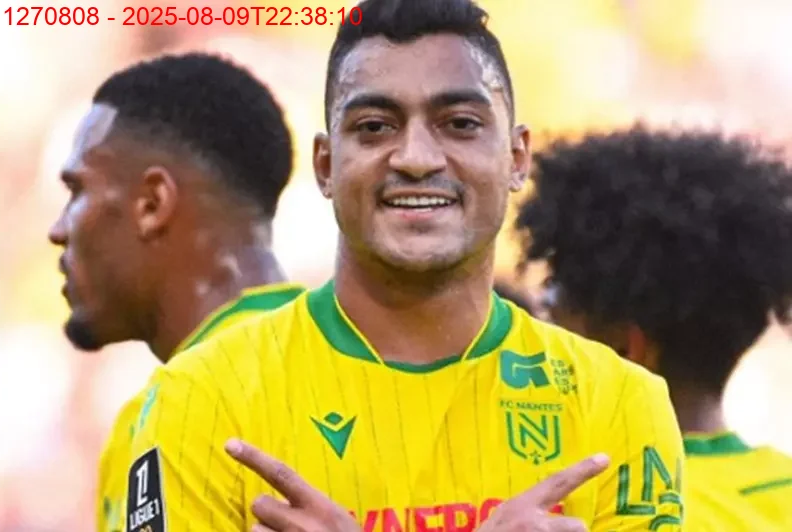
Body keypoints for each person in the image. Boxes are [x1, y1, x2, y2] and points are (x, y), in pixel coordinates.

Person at [126, 1, 684, 531]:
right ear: (325, 165)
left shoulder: (620, 404)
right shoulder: (200, 399)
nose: (416, 158)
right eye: (374, 127)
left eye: (459, 123)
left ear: (516, 158)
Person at [47, 52, 304, 532]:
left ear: (152, 203)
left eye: (77, 190)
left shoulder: (175, 405)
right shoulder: (375, 357)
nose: (57, 230)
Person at [515, 124, 792, 531]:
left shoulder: (598, 508)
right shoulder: (781, 486)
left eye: (553, 316)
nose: (535, 341)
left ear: (625, 350)